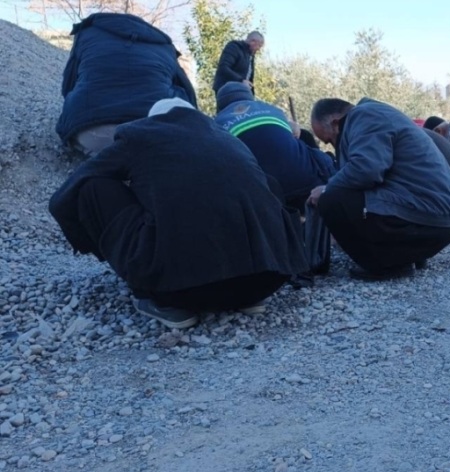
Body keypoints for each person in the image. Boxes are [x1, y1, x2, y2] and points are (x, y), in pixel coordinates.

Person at [49, 98, 308, 329]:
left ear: (155, 120)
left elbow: (70, 189)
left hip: (181, 292)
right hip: (264, 282)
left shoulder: (139, 135)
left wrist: (85, 240)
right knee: (266, 183)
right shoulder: (228, 138)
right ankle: (247, 290)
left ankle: (157, 298)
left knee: (95, 187)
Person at [308, 98, 450, 281]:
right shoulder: (377, 114)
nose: (332, 147)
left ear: (335, 123)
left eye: (329, 140)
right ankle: (409, 255)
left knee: (332, 199)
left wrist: (326, 189)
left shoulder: (363, 116)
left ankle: (386, 264)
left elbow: (366, 170)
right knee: (344, 192)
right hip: (440, 219)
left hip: (431, 218)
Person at [56, 13, 196, 155]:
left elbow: (68, 83)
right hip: (153, 135)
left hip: (89, 131)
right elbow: (189, 94)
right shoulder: (166, 47)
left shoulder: (87, 32)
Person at [214, 81, 336, 208]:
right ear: (250, 97)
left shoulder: (216, 122)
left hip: (266, 196)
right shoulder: (271, 108)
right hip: (308, 181)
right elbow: (296, 133)